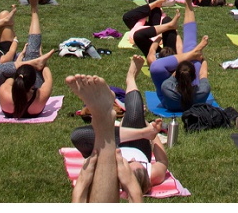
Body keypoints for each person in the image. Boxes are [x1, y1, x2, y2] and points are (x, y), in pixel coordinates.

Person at [69, 58, 169, 198]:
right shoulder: (153, 174)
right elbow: (162, 161)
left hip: (110, 149)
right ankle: (131, 77)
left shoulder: (109, 177)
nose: (133, 158)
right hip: (139, 144)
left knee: (78, 136)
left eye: (129, 162)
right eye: (138, 162)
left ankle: (105, 120)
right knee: (135, 112)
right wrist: (153, 134)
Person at [0, 0, 55, 118]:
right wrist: (41, 61)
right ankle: (34, 9)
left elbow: (5, 77)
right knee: (33, 53)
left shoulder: (5, 92)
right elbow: (48, 78)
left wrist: (19, 63)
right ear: (34, 83)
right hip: (30, 94)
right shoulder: (40, 96)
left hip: (10, 100)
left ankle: (29, 61)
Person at [148, 0, 211, 112]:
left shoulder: (167, 88)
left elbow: (178, 73)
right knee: (192, 50)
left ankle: (192, 53)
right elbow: (203, 73)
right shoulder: (202, 91)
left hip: (169, 102)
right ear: (194, 77)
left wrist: (199, 59)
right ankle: (188, 0)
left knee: (155, 67)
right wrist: (198, 59)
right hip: (192, 96)